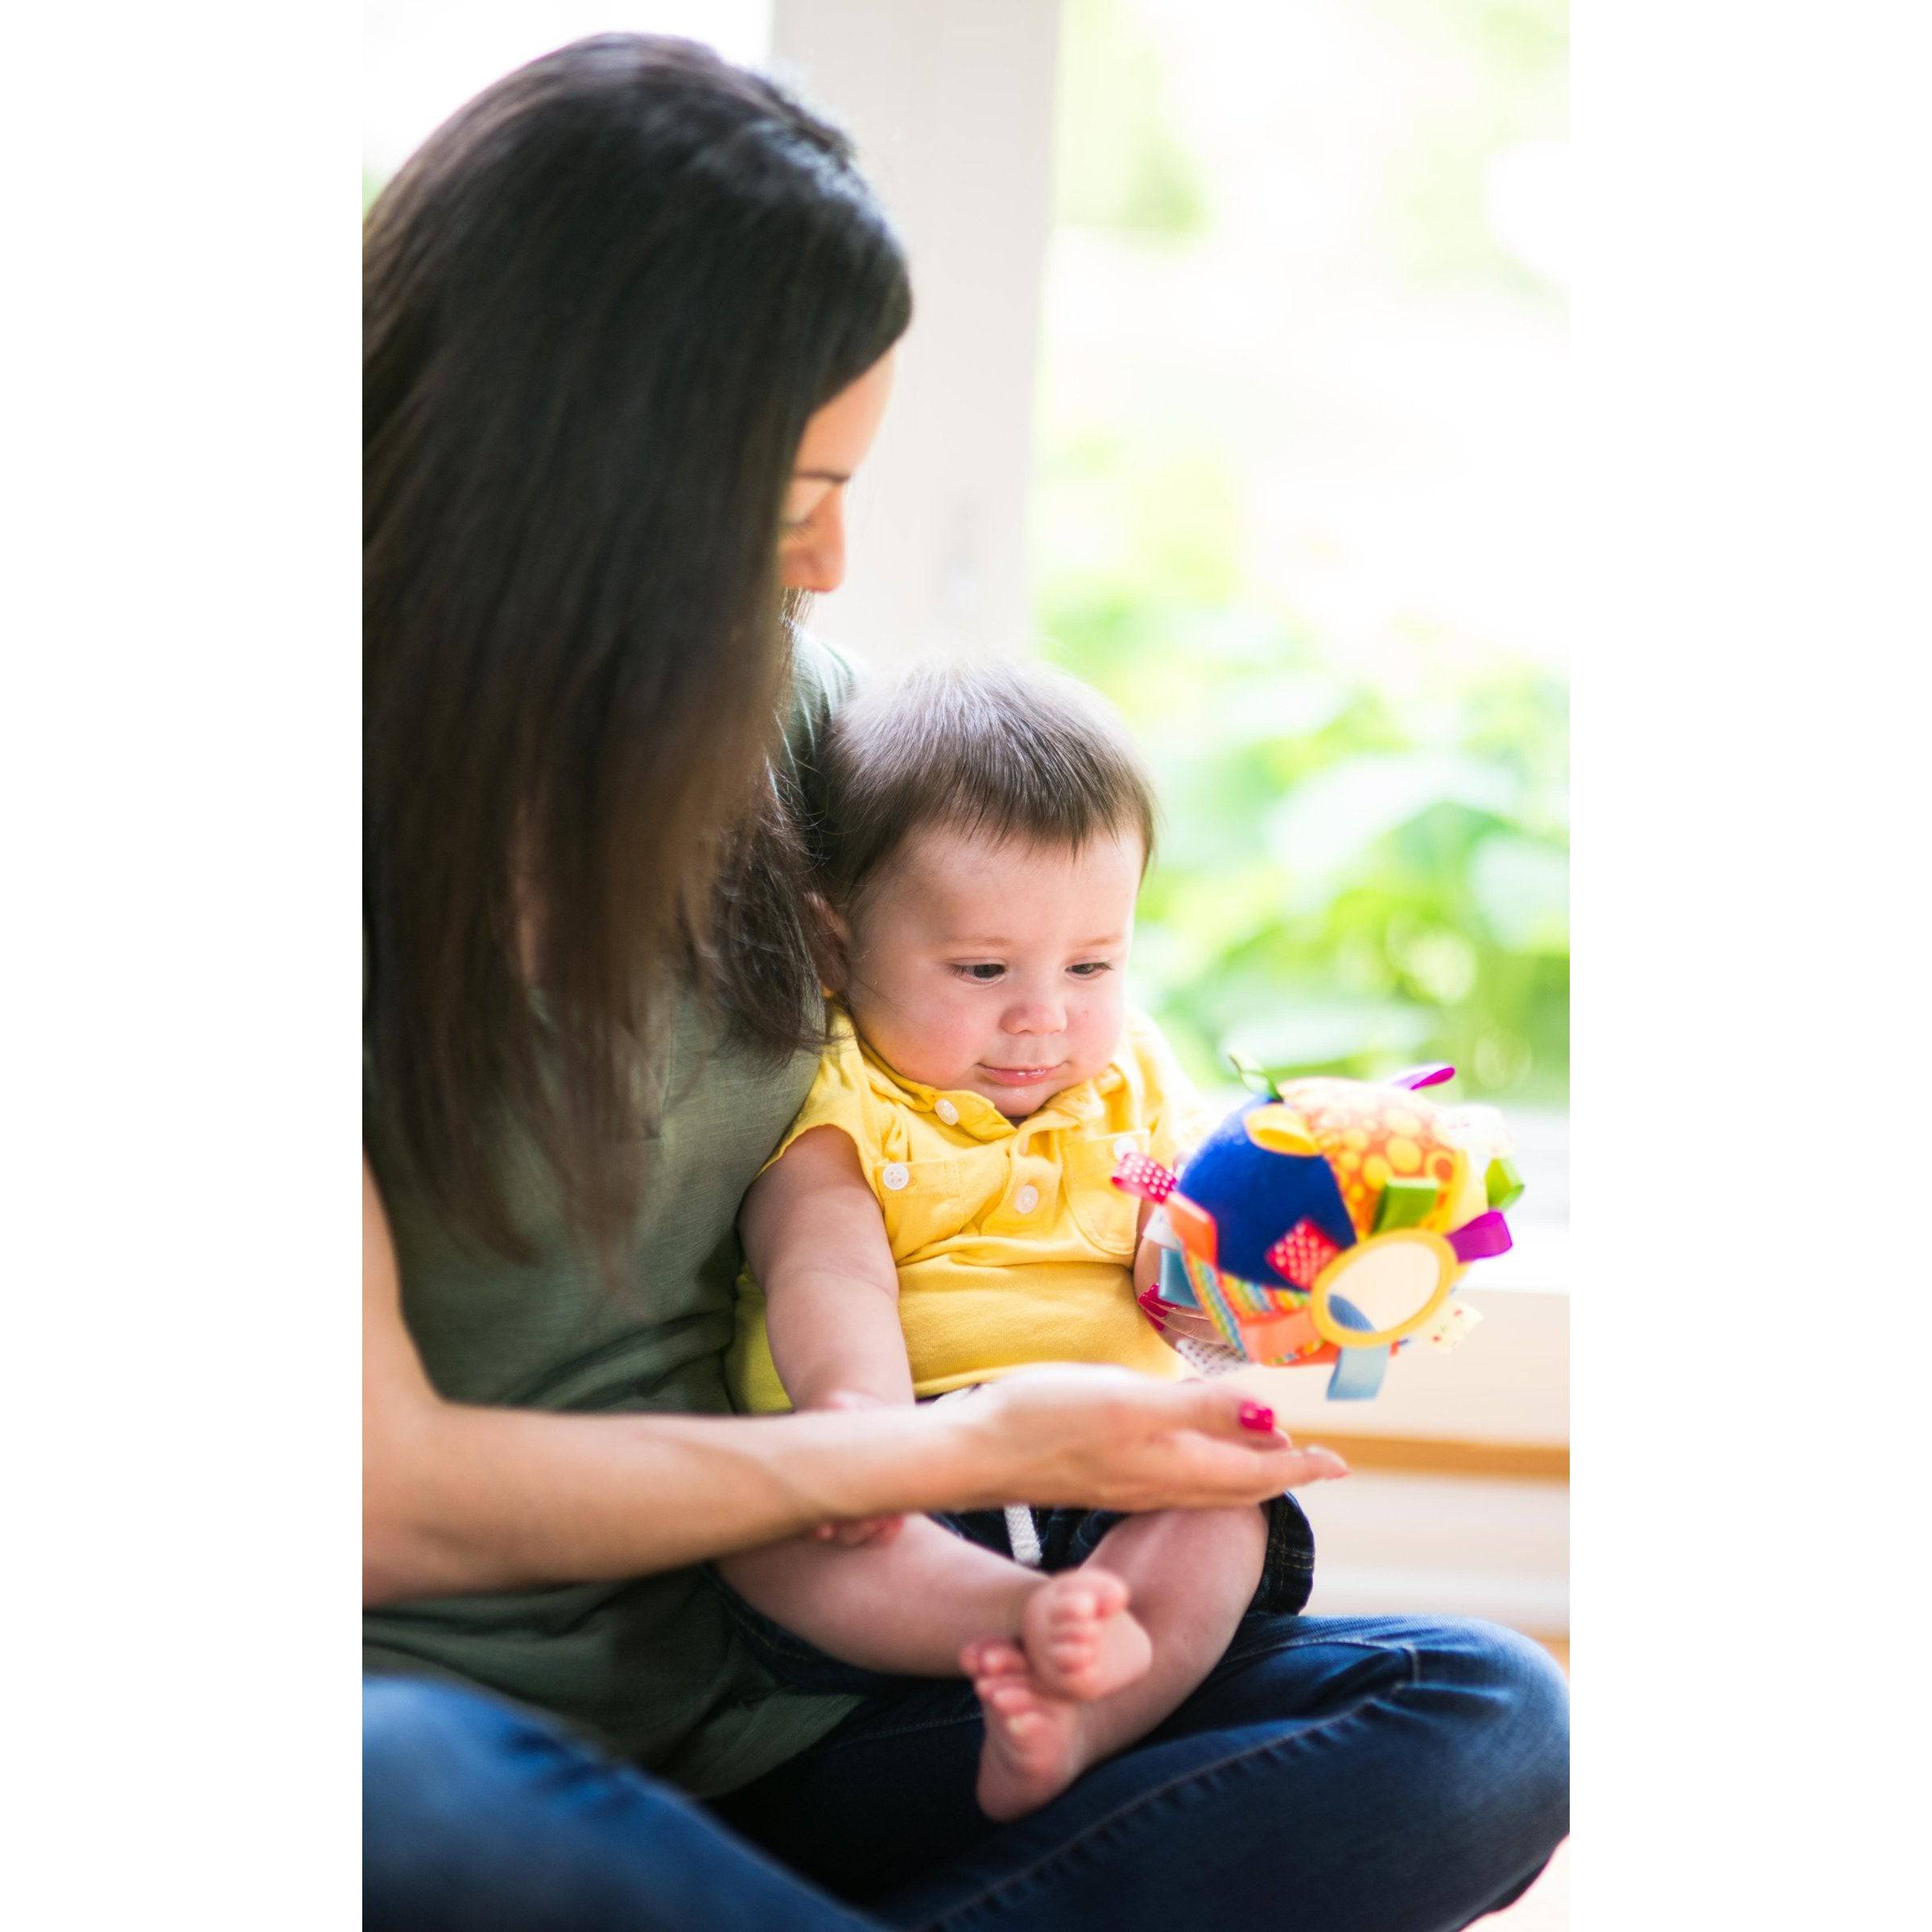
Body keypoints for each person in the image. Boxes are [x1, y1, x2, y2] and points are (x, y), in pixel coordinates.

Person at [363, 31, 1568, 1931]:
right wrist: (946, 1445)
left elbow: (1049, 1041)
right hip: (452, 1719)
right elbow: (380, 1493)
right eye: (783, 503)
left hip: (795, 1703)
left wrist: (1246, 1242)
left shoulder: (802, 730)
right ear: (577, 474)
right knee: (396, 1795)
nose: (831, 566)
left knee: (1479, 1717)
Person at [716, 661, 1318, 1824]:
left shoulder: (1135, 1074)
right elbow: (824, 1261)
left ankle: (1085, 1704)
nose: (1046, 1013)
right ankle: (1014, 1620)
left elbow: (1175, 1257)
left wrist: (1235, 1290)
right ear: (837, 949)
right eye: (984, 970)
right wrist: (868, 1431)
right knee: (767, 1541)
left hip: (1108, 1463)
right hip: (915, 1467)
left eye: (1092, 965)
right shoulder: (851, 1094)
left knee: (1224, 1513)